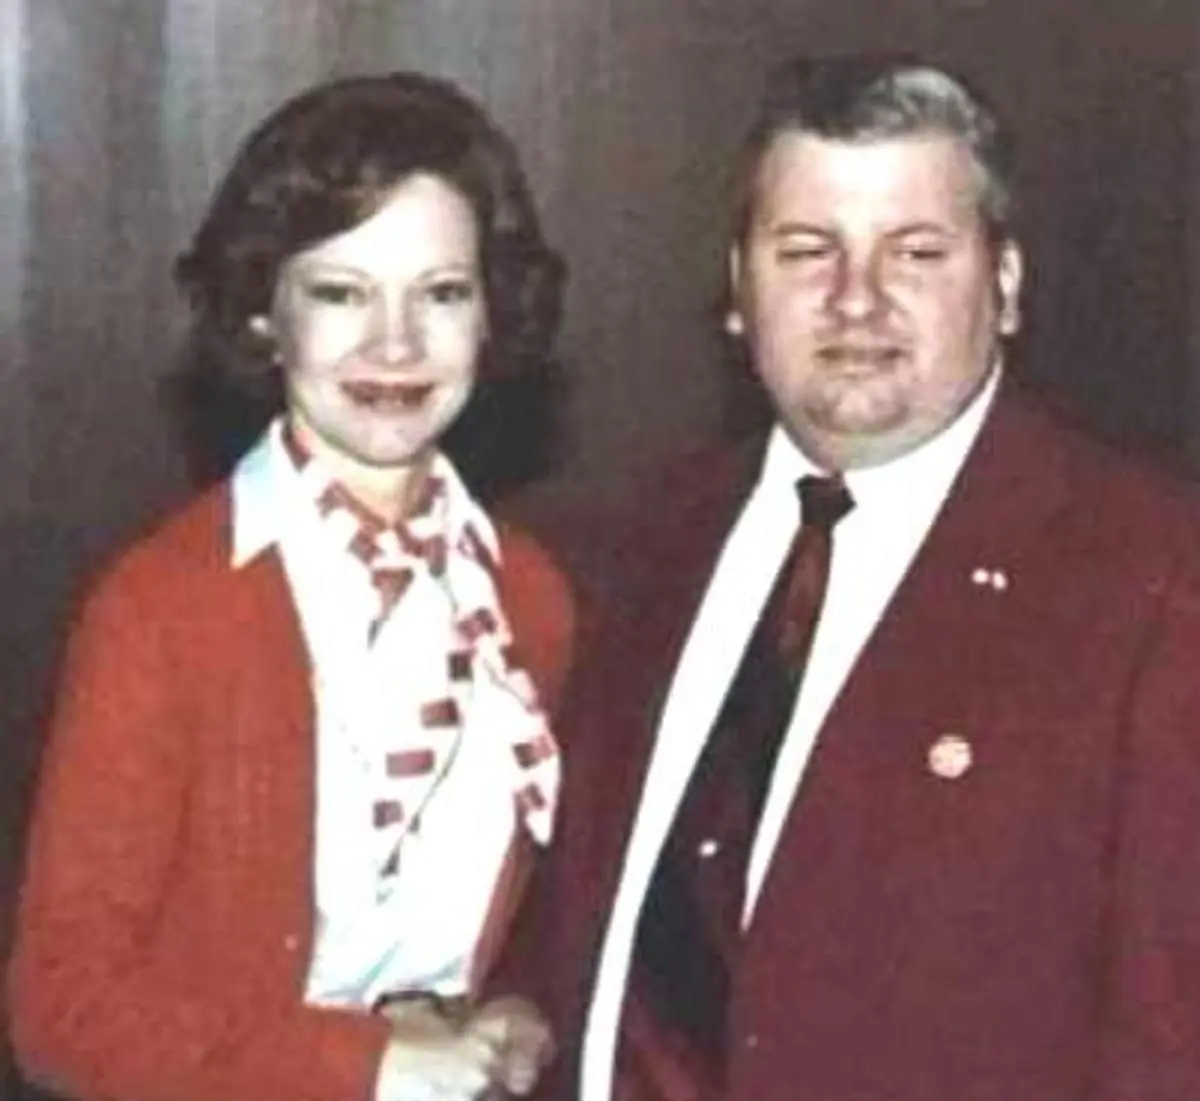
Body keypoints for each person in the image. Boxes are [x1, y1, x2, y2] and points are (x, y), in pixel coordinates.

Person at [526, 55, 1200, 1101]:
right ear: (738, 290)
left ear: (1006, 285)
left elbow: (1169, 1037)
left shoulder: (1148, 577)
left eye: (916, 252)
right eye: (807, 251)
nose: (857, 300)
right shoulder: (638, 541)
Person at [8, 71, 572, 1101]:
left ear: (493, 314)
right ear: (264, 314)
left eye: (442, 292)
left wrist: (511, 1009)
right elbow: (59, 1007)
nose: (395, 343)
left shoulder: (528, 597)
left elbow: (531, 917)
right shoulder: (163, 607)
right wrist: (366, 1063)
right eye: (342, 293)